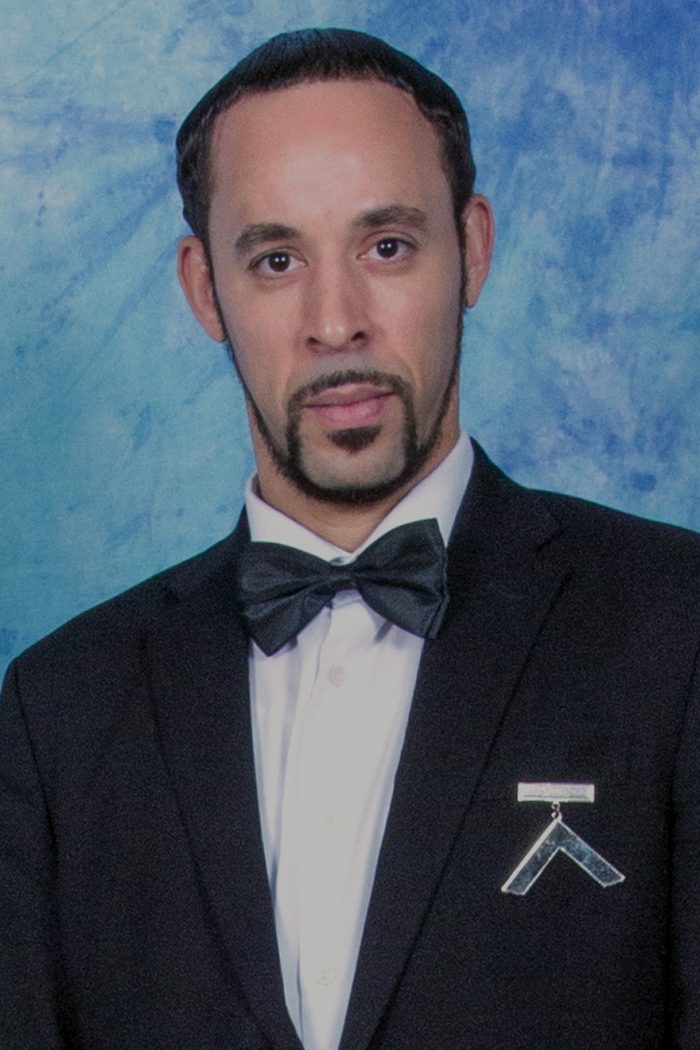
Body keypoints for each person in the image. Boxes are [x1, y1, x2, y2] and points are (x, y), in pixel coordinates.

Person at [1, 26, 699, 1050]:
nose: (336, 322)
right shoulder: (59, 709)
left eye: (387, 247)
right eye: (276, 260)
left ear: (473, 250)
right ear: (204, 289)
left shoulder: (677, 628)